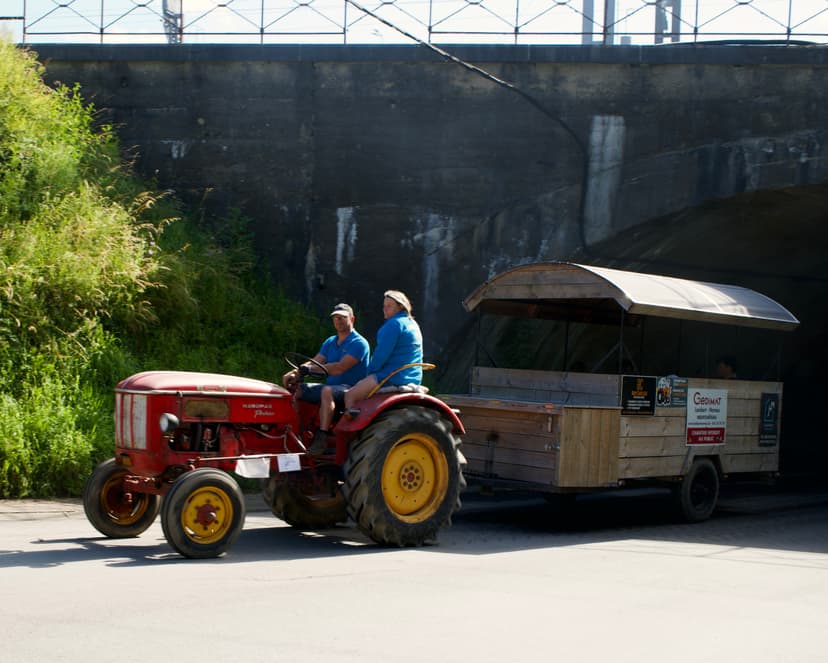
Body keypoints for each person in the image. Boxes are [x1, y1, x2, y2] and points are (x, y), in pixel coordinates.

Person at [282, 303, 370, 453]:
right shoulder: (330, 342)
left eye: (342, 317)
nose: (338, 321)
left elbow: (340, 367)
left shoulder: (359, 343)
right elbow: (316, 360)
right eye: (336, 318)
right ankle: (296, 432)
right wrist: (295, 372)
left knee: (327, 391)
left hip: (351, 389)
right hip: (333, 388)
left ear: (352, 319)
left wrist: (309, 369)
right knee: (298, 390)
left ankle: (322, 438)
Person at [344, 290, 423, 409]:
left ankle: (348, 426)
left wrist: (368, 374)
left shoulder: (393, 325)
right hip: (413, 377)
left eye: (389, 306)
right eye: (384, 306)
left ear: (400, 307)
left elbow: (380, 356)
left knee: (350, 395)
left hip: (392, 376)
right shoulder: (412, 323)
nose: (384, 309)